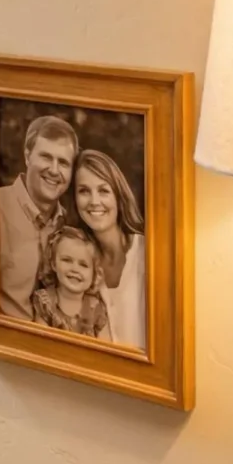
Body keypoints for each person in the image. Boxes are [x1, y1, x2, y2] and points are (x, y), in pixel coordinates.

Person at [0, 114, 78, 320]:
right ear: (27, 156)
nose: (54, 170)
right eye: (46, 157)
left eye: (63, 163)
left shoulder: (72, 226)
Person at [71, 148, 147, 350]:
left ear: (118, 196)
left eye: (103, 190)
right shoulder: (74, 262)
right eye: (84, 191)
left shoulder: (146, 253)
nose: (94, 201)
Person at [30, 227, 110, 339]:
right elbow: (40, 344)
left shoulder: (96, 308)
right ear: (53, 264)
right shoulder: (46, 302)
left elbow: (106, 348)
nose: (75, 269)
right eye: (67, 260)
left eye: (83, 265)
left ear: (94, 274)